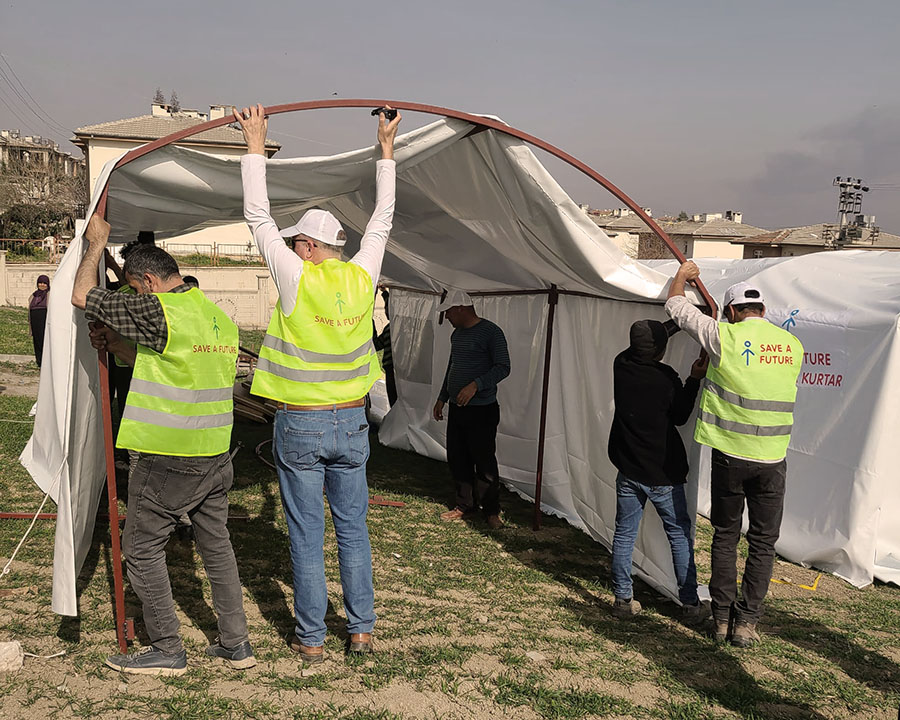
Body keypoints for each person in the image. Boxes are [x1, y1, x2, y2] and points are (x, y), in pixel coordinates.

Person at [233, 102, 401, 663]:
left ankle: (310, 639)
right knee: (353, 532)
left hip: (301, 424)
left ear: (306, 245)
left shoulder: (294, 275)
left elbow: (256, 215)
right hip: (352, 422)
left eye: (296, 242)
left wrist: (255, 141)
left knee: (306, 536)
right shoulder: (362, 274)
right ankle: (361, 630)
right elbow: (383, 220)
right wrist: (385, 150)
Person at [71, 216, 255, 675]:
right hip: (215, 453)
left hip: (168, 455)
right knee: (217, 546)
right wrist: (116, 345)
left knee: (141, 548)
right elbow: (170, 362)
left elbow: (81, 296)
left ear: (149, 282)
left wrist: (95, 245)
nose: (134, 299)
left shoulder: (156, 310)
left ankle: (167, 648)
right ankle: (236, 644)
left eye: (135, 290)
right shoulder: (214, 315)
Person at [666, 261, 803, 647]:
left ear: (730, 311)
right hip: (773, 458)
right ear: (763, 311)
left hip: (730, 455)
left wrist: (683, 276)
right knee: (763, 541)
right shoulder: (792, 345)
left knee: (726, 536)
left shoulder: (723, 336)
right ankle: (747, 624)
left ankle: (721, 618)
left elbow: (676, 308)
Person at [607, 318, 708, 624]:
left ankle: (623, 599)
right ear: (662, 350)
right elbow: (679, 416)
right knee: (678, 535)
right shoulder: (666, 378)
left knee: (624, 534)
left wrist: (673, 324)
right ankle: (690, 604)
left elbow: (639, 344)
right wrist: (694, 379)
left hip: (629, 468)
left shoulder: (620, 365)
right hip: (663, 472)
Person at [432, 289, 510, 529]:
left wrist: (476, 385)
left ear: (460, 309)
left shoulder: (491, 332)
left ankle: (491, 511)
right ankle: (464, 504)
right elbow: (452, 366)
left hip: (482, 409)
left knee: (484, 461)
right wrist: (443, 397)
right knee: (458, 456)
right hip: (458, 408)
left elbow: (503, 367)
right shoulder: (457, 335)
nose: (447, 319)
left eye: (448, 313)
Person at [373, 288, 396, 406]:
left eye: (387, 309)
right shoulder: (389, 328)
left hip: (393, 369)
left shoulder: (392, 328)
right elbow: (377, 344)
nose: (386, 312)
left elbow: (376, 345)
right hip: (390, 369)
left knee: (394, 398)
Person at [28, 275, 50, 367]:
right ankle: (39, 361)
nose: (42, 285)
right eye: (40, 283)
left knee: (44, 340)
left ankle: (46, 363)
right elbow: (30, 308)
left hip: (44, 319)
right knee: (36, 340)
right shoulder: (34, 295)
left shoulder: (50, 294)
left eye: (44, 283)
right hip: (35, 320)